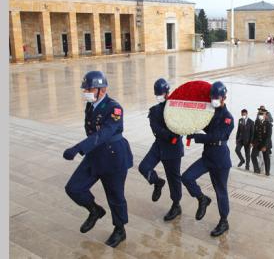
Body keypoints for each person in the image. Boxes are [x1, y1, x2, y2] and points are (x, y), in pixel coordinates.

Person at [63, 71, 133, 247]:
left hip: (113, 157)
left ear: (102, 89)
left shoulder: (114, 108)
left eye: (90, 88)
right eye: (85, 88)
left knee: (115, 196)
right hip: (94, 155)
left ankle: (120, 230)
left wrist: (79, 147)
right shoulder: (90, 105)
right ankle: (95, 210)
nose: (86, 91)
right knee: (73, 188)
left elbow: (105, 133)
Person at [182, 81, 234, 237]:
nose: (214, 100)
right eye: (213, 97)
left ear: (224, 98)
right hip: (207, 157)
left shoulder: (228, 118)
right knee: (186, 177)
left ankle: (224, 221)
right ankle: (202, 199)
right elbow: (205, 125)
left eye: (217, 98)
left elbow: (216, 136)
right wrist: (190, 123)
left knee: (221, 192)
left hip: (220, 161)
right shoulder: (210, 112)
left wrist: (196, 136)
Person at [138, 78, 184, 223]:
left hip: (173, 150)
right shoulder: (154, 110)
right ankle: (157, 182)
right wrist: (170, 134)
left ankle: (176, 205)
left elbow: (181, 128)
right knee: (144, 167)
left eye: (162, 93)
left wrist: (172, 134)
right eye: (157, 93)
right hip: (159, 146)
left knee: (174, 179)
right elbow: (156, 129)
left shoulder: (176, 109)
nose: (160, 96)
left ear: (167, 93)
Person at [250, 109, 272, 175]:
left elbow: (268, 136)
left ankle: (267, 172)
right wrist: (252, 142)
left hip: (265, 143)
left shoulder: (268, 124)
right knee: (253, 156)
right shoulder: (256, 122)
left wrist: (265, 146)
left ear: (265, 115)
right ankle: (257, 170)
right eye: (260, 114)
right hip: (257, 142)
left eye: (262, 114)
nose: (261, 115)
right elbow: (254, 133)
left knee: (266, 158)